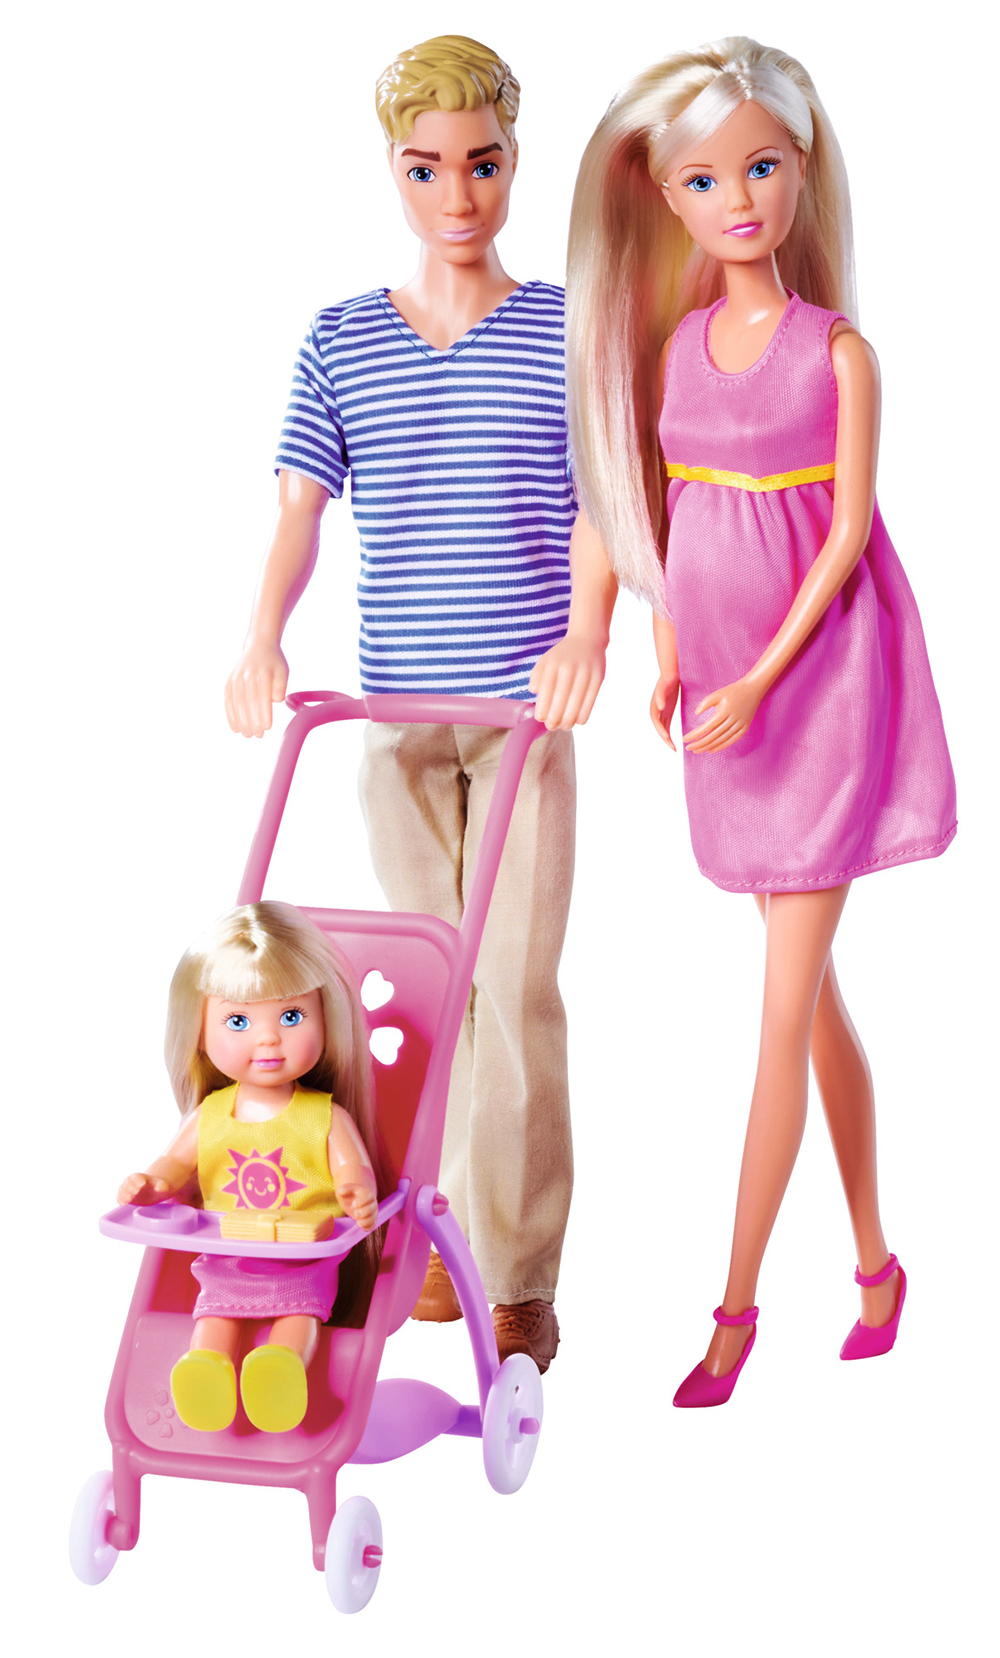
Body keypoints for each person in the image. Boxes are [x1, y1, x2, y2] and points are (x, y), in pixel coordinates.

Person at [530, 37, 956, 1404]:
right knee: (810, 1000)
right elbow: (667, 510)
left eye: (762, 167)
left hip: (820, 691)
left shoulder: (842, 355)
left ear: (803, 166)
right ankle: (879, 1264)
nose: (740, 198)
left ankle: (733, 1309)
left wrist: (762, 678)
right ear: (667, 195)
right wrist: (664, 645)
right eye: (708, 179)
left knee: (775, 1017)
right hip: (718, 694)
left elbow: (842, 544)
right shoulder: (675, 349)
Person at [224, 36, 580, 1372]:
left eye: (482, 163)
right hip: (396, 717)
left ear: (515, 160)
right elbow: (299, 509)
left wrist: (590, 630)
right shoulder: (342, 338)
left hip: (524, 718)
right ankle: (427, 1234)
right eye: (427, 167)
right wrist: (261, 635)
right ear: (393, 168)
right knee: (425, 993)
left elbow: (606, 503)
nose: (458, 194)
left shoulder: (563, 328)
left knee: (514, 988)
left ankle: (519, 1269)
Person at [118, 902, 382, 1433]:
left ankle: (281, 1368)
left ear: (325, 1019)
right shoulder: (211, 1115)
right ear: (199, 1031)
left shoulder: (324, 1116)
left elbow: (351, 1165)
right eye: (238, 1021)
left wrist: (356, 1189)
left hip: (302, 1260)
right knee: (215, 1310)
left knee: (299, 1313)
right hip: (230, 1255)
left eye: (291, 1017)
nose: (268, 1039)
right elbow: (175, 1162)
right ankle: (204, 1368)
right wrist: (153, 1183)